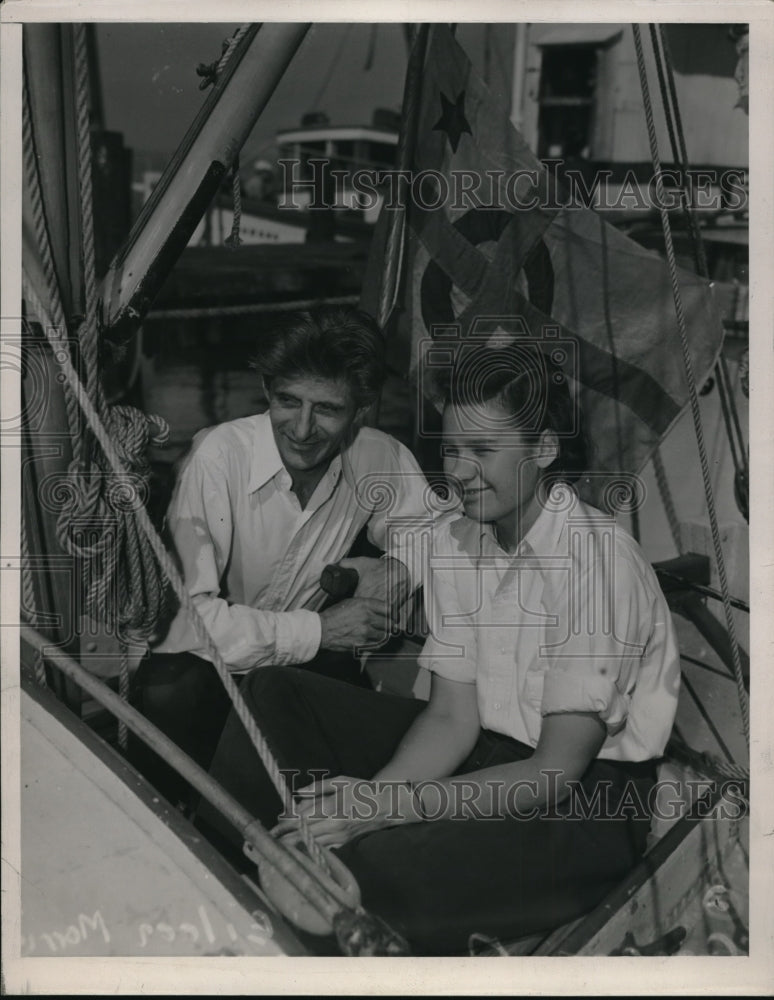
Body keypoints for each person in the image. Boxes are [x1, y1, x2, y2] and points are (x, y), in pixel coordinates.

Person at [200, 339, 681, 955]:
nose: (457, 471)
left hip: (581, 804)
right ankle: (225, 876)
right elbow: (452, 716)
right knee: (275, 691)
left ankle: (310, 914)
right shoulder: (460, 539)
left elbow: (553, 771)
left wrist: (388, 809)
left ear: (544, 449)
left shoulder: (597, 564)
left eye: (483, 451)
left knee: (372, 874)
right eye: (452, 449)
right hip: (485, 752)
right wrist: (377, 799)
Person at [130, 306, 433, 807]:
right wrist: (322, 631)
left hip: (297, 661)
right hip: (208, 663)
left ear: (361, 410)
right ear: (268, 391)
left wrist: (399, 569)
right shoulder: (219, 457)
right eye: (288, 401)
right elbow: (189, 624)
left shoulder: (378, 456)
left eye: (328, 409)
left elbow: (433, 528)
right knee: (170, 688)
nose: (302, 427)